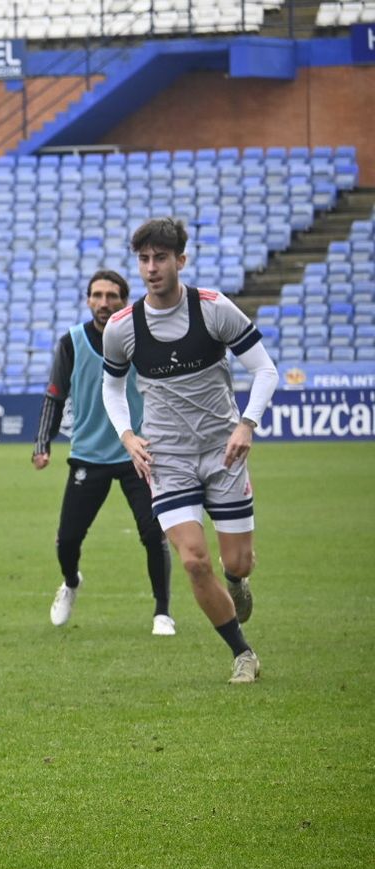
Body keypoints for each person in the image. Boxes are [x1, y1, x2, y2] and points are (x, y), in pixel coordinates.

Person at [101, 217, 279, 685]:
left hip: (224, 453)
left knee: (234, 562)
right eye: (144, 259)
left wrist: (246, 425)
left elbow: (266, 370)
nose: (152, 267)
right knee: (194, 560)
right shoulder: (123, 328)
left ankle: (238, 579)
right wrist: (127, 436)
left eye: (161, 257)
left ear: (181, 259)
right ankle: (243, 653)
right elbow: (112, 389)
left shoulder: (214, 308)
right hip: (168, 459)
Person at [34, 269, 174, 636]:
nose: (103, 302)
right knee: (67, 541)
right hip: (88, 454)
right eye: (97, 295)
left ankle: (163, 612)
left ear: (124, 300)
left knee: (153, 533)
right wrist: (42, 444)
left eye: (112, 295)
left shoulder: (141, 338)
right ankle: (70, 581)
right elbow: (55, 395)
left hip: (138, 453)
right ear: (87, 300)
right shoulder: (72, 342)